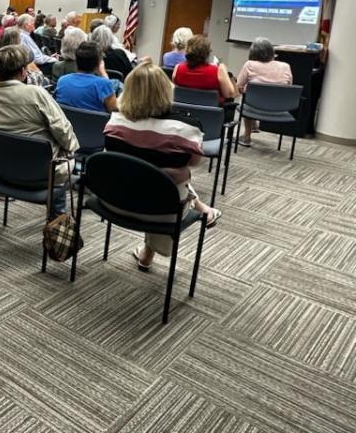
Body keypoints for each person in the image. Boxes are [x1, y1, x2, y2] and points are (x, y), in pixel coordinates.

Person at [103, 62, 221, 270]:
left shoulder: (114, 123)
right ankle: (201, 211)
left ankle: (148, 251)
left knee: (151, 174)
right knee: (169, 178)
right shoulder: (185, 129)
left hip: (113, 200)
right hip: (161, 211)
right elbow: (192, 163)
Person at [0, 45, 78, 213]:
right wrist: (71, 149)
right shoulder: (36, 93)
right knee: (68, 157)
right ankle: (57, 220)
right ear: (23, 71)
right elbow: (63, 131)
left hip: (0, 168)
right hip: (40, 175)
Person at [235, 37, 293, 147]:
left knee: (246, 95)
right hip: (279, 108)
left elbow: (239, 86)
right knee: (252, 95)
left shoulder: (250, 64)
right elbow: (288, 89)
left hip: (254, 107)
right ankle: (254, 125)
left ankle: (247, 135)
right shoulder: (286, 66)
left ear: (253, 52)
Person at [55, 42, 118, 113]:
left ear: (76, 60)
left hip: (67, 123)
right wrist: (103, 72)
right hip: (96, 124)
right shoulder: (104, 84)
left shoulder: (62, 81)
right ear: (99, 63)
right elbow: (114, 112)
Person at [172, 34, 237, 103]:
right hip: (209, 113)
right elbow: (229, 94)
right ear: (207, 52)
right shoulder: (217, 71)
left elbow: (174, 91)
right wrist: (223, 70)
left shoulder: (178, 68)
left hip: (182, 111)